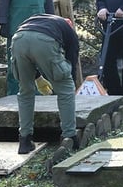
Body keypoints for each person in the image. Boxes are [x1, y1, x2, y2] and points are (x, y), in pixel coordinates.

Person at [10, 14, 79, 154]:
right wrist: (69, 82)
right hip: (44, 41)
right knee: (66, 90)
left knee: (25, 92)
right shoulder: (69, 31)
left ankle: (24, 140)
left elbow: (28, 51)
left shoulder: (36, 18)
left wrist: (38, 78)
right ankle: (70, 137)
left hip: (18, 39)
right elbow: (72, 58)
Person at [0, 0, 55, 96]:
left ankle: (40, 99)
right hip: (17, 28)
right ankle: (14, 97)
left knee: (41, 63)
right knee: (15, 66)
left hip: (40, 27)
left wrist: (54, 21)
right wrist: (3, 22)